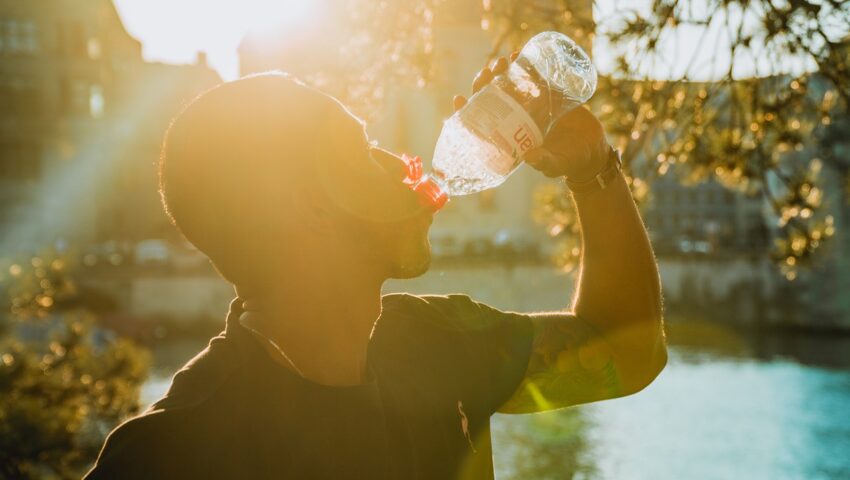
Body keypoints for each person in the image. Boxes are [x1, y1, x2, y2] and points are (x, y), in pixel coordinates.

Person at [85, 55, 667, 479]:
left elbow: (627, 351)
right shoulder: (165, 455)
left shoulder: (437, 342)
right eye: (361, 152)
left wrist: (593, 171)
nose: (399, 162)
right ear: (303, 207)